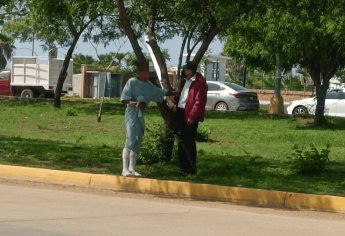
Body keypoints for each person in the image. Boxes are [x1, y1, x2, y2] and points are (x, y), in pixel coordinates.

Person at [120, 62, 175, 177]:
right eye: (145, 72)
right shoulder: (132, 82)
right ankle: (124, 169)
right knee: (130, 138)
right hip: (131, 113)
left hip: (141, 115)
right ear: (140, 73)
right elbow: (124, 99)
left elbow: (160, 92)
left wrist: (176, 91)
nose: (147, 75)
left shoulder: (149, 84)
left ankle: (132, 168)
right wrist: (135, 103)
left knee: (137, 140)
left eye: (148, 73)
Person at [172, 61, 208, 175]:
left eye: (187, 69)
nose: (184, 71)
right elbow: (180, 95)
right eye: (184, 69)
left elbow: (199, 102)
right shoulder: (184, 80)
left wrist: (192, 116)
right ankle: (182, 168)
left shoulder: (200, 82)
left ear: (192, 70)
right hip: (180, 112)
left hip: (190, 114)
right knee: (181, 141)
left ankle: (191, 169)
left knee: (189, 142)